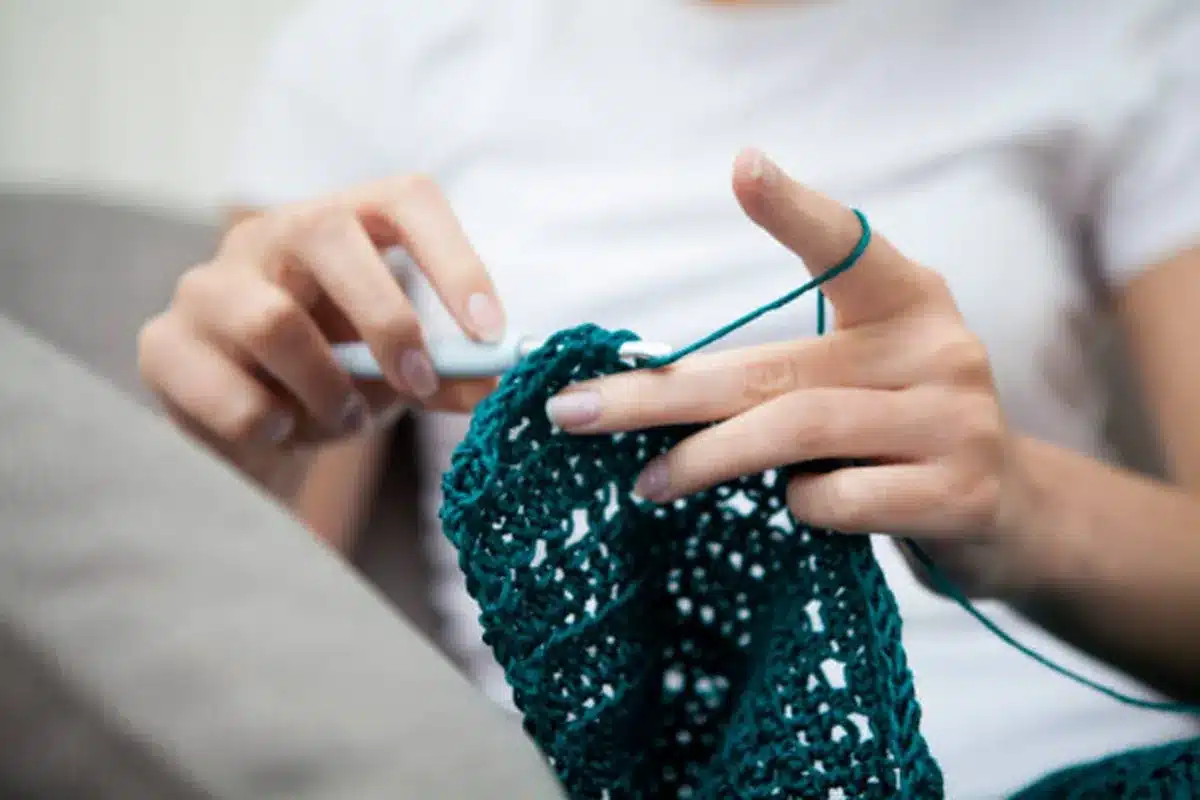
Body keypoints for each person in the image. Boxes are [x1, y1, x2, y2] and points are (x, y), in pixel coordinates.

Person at [137, 0, 1200, 796]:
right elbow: (229, 647)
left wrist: (1016, 500)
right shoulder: (386, 34)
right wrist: (237, 443)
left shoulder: (1115, 25)